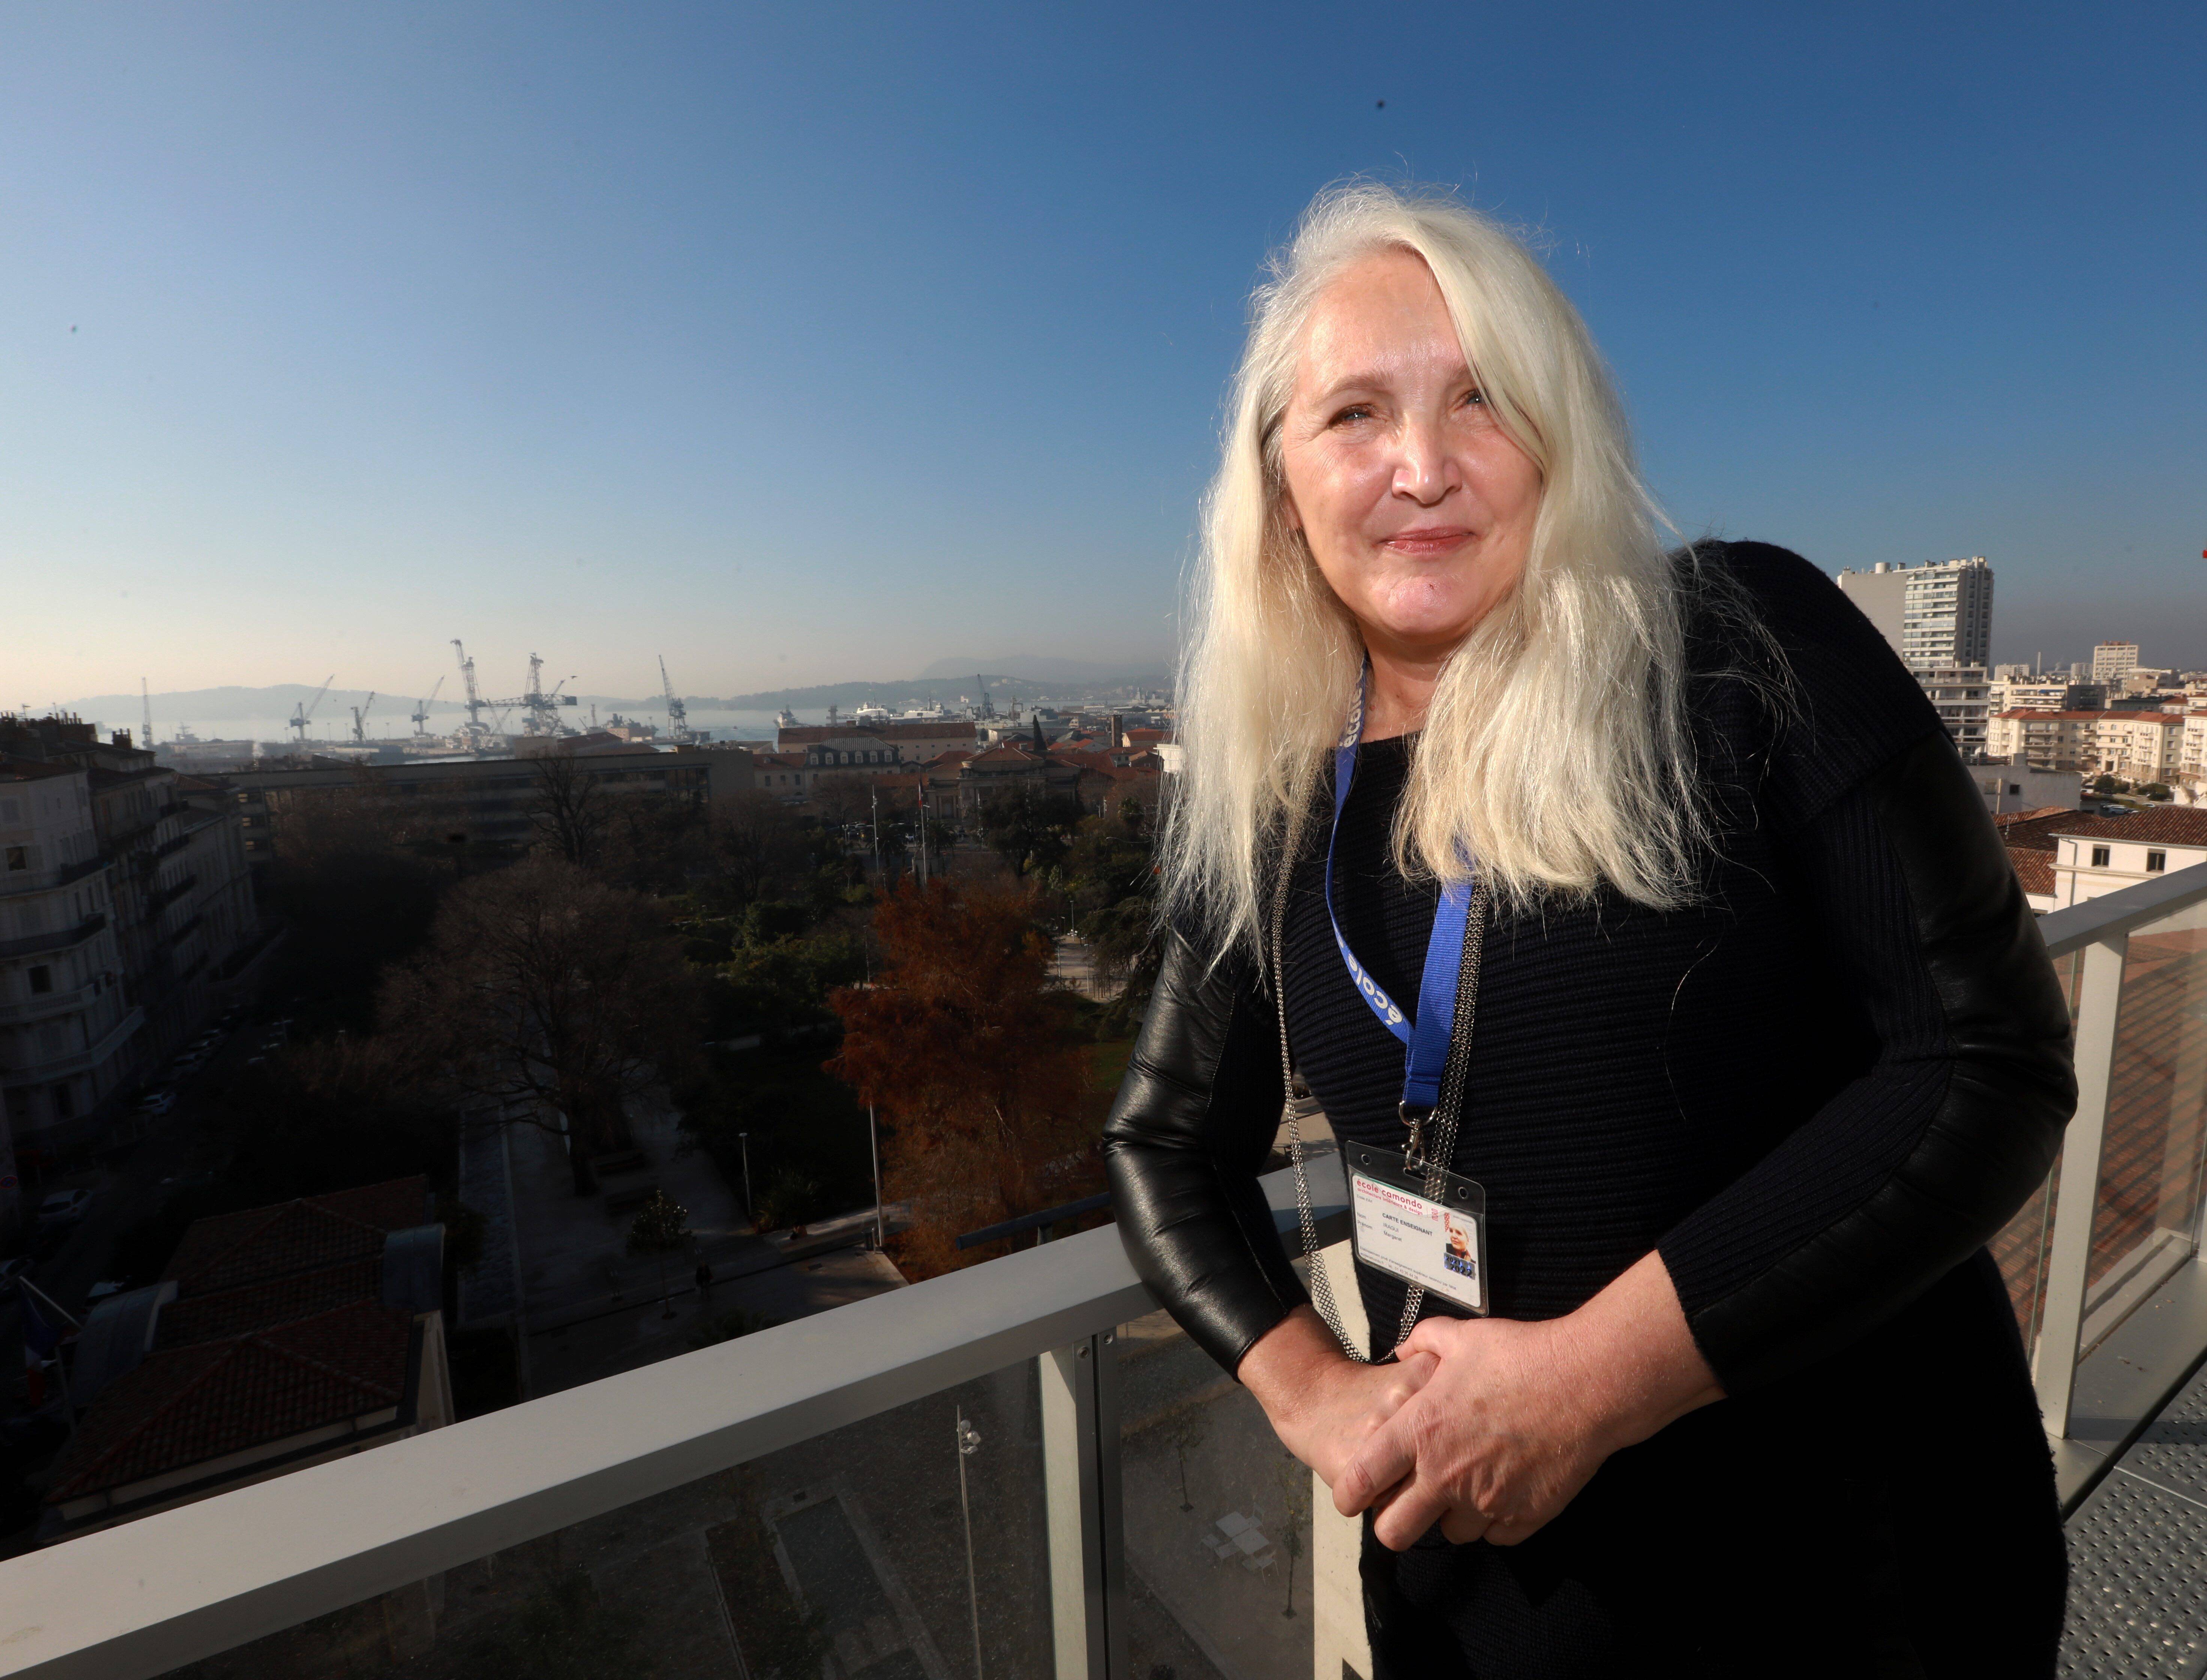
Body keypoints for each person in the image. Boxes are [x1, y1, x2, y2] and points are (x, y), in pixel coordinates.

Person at [1101, 183, 2075, 1678]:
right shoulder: (1272, 796)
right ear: (1276, 484)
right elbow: (1163, 1141)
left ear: (1559, 436)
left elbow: (1982, 1063)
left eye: (1478, 397)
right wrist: (1311, 1391)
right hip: (1480, 1608)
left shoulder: (1741, 651)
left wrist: (1579, 1389)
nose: (1419, 466)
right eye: (1353, 413)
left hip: (1855, 1577)